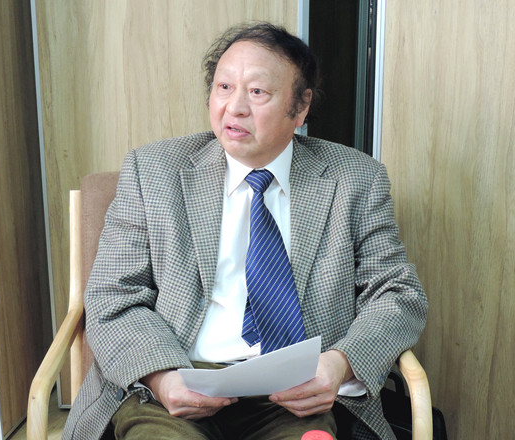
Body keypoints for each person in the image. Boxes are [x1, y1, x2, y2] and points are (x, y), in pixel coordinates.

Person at [62, 22, 428, 440]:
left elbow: (398, 293)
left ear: (300, 107)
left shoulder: (355, 179)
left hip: (294, 395)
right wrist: (161, 377)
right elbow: (113, 295)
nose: (234, 108)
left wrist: (339, 363)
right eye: (223, 87)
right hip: (175, 385)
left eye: (257, 92)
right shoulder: (154, 172)